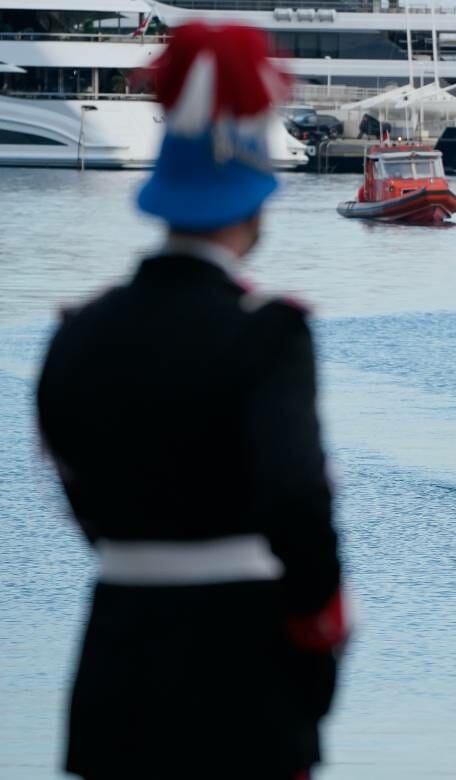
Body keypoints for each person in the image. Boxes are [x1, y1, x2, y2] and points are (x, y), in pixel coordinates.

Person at [36, 23, 348, 780]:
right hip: (242, 669)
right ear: (255, 202)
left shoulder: (79, 333)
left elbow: (76, 485)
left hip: (114, 664)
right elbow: (297, 497)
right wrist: (321, 625)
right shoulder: (269, 333)